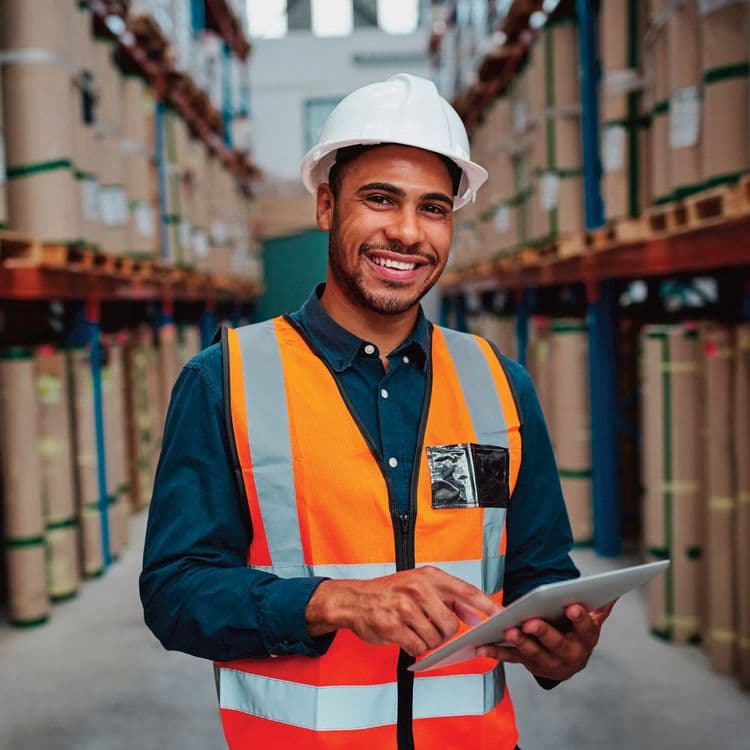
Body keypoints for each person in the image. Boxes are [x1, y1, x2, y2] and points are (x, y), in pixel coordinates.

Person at [140, 73, 614, 750]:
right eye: (381, 200)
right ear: (327, 205)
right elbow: (174, 594)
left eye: (434, 208)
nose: (407, 233)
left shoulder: (499, 384)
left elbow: (540, 572)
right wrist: (329, 601)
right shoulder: (225, 380)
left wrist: (559, 644)